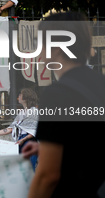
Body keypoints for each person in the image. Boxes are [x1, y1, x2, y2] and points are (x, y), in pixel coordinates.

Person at [23, 12, 105, 198]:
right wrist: (48, 145)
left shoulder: (57, 94)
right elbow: (90, 139)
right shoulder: (100, 82)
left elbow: (47, 176)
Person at [0, 88, 38, 170]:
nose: (18, 96)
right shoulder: (22, 112)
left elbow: (33, 131)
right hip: (20, 141)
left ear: (26, 98)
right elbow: (10, 129)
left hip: (29, 142)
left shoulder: (34, 111)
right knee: (21, 170)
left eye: (20, 95)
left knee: (29, 169)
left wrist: (23, 140)